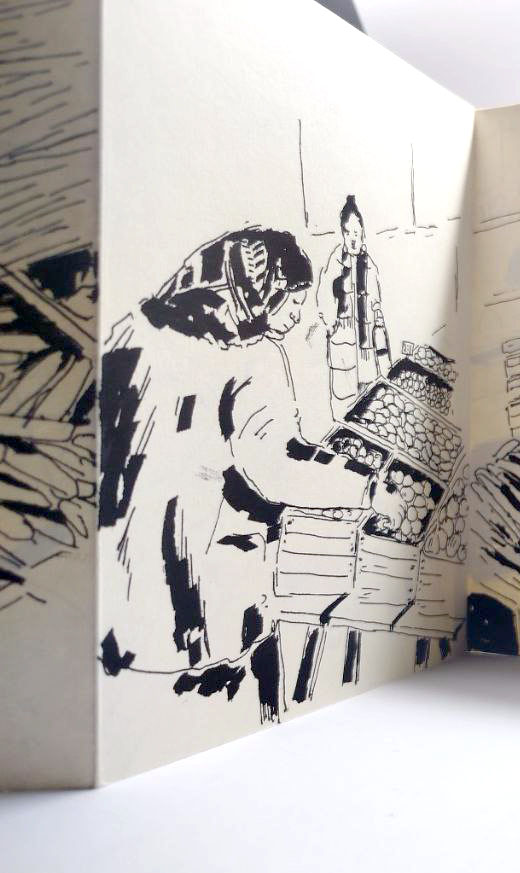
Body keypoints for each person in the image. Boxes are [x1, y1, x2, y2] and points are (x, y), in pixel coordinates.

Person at [98, 227, 406, 718]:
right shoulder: (250, 357)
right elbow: (280, 465)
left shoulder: (134, 331)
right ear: (262, 292)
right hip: (210, 608)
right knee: (239, 723)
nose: (297, 315)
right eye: (292, 301)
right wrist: (370, 487)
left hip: (122, 606)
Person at [317, 195, 391, 416]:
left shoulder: (370, 267)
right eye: (348, 233)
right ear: (343, 233)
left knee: (369, 404)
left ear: (363, 233)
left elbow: (377, 309)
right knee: (344, 406)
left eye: (356, 233)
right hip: (343, 346)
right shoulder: (335, 263)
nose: (352, 239)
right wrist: (331, 324)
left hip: (367, 350)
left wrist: (383, 353)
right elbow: (323, 297)